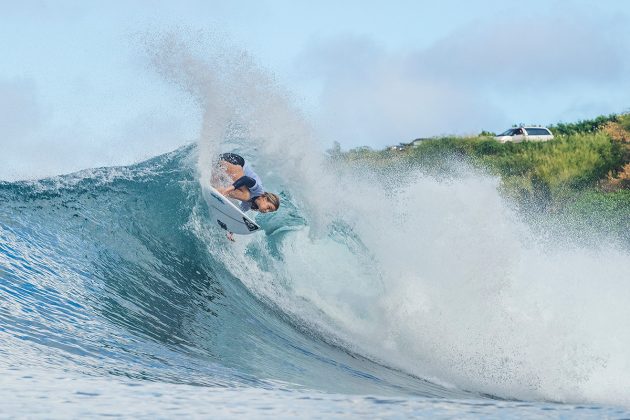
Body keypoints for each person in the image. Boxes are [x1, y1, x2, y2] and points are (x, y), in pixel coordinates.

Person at [216, 153, 280, 214]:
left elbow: (239, 212)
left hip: (222, 164)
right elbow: (246, 179)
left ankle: (216, 188)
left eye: (269, 211)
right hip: (234, 160)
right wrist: (228, 190)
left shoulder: (249, 203)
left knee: (214, 183)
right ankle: (220, 191)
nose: (267, 211)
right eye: (268, 207)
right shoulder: (259, 190)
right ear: (265, 199)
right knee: (246, 196)